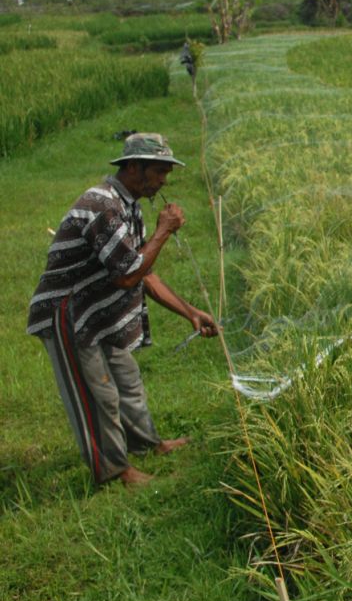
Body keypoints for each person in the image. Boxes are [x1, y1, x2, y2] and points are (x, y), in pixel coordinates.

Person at [27, 133, 219, 488]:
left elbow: (143, 271)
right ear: (133, 167)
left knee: (127, 381)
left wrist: (189, 312)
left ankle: (146, 444)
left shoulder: (128, 204)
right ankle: (115, 471)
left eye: (166, 173)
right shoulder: (102, 206)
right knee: (97, 392)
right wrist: (162, 231)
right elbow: (130, 276)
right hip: (68, 312)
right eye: (159, 172)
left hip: (98, 310)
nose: (164, 181)